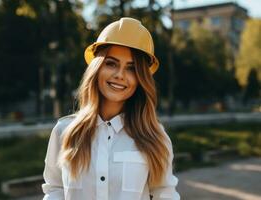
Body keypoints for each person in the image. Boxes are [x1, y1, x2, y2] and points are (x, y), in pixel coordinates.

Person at [42, 17, 180, 200]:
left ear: (141, 79)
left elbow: (165, 196)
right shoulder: (64, 131)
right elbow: (55, 189)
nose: (120, 75)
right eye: (111, 63)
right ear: (97, 68)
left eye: (131, 69)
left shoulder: (156, 138)